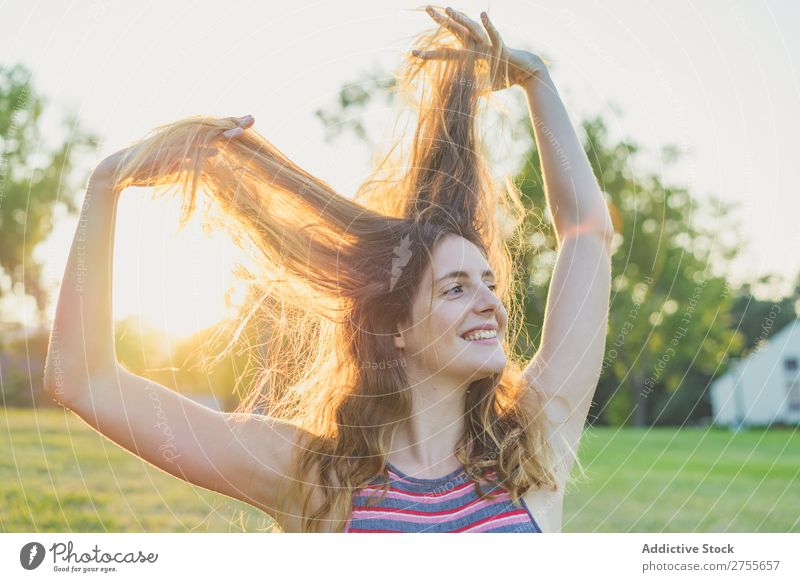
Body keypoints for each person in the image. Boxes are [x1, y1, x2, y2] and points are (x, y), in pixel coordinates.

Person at [43, 5, 613, 533]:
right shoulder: (314, 477)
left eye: (488, 282)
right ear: (395, 328)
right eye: (455, 288)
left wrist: (536, 79)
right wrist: (105, 187)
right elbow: (82, 380)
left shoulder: (532, 443)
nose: (491, 301)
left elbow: (587, 231)